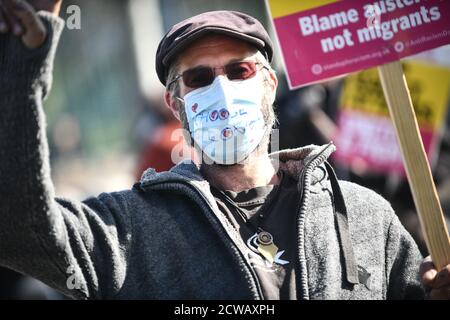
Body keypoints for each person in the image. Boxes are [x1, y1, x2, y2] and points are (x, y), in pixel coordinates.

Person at [0, 0, 449, 300]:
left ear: (269, 85)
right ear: (177, 104)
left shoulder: (364, 215)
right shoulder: (131, 230)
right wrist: (24, 61)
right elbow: (18, 229)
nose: (223, 89)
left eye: (240, 70)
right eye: (199, 78)